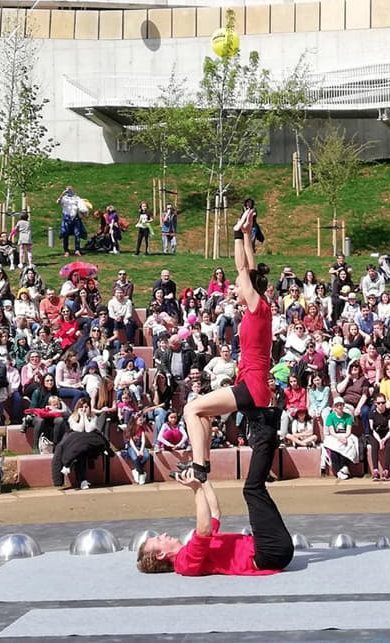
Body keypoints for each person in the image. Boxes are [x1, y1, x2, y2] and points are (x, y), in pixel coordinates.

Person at [136, 408, 293, 576]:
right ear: (161, 554)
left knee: (254, 489)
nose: (164, 534)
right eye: (159, 539)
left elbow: (215, 512)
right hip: (268, 554)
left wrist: (202, 479)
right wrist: (196, 489)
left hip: (269, 547)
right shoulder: (184, 563)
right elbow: (203, 530)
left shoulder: (192, 548)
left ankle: (268, 427)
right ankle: (265, 427)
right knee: (252, 489)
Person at [182, 208, 272, 485]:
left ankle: (199, 467)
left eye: (237, 287)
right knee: (202, 414)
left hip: (253, 386)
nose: (234, 289)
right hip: (250, 383)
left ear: (250, 291)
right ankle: (202, 461)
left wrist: (235, 233)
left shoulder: (258, 308)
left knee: (191, 409)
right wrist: (247, 235)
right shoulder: (258, 308)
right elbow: (251, 268)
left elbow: (243, 269)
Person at [57, 186, 86, 257]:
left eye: (70, 189)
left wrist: (83, 210)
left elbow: (82, 206)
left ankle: (77, 250)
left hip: (75, 218)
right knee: (65, 234)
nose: (69, 191)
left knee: (77, 234)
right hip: (67, 218)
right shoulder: (64, 198)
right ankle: (66, 251)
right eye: (68, 190)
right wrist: (62, 194)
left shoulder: (77, 198)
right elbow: (58, 202)